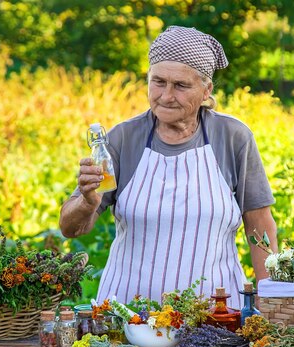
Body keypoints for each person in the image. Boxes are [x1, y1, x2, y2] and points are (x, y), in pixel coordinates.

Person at [59, 26, 278, 308]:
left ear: (206, 90)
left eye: (180, 86)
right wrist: (87, 203)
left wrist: (271, 304)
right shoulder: (123, 139)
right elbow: (70, 228)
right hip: (128, 318)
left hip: (215, 317)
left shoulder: (233, 137)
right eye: (158, 82)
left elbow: (259, 226)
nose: (166, 95)